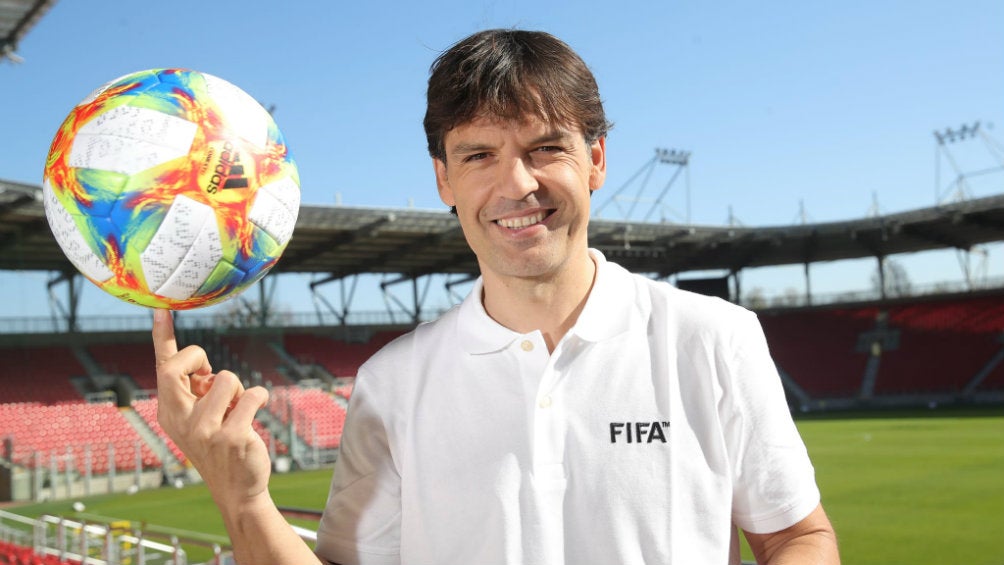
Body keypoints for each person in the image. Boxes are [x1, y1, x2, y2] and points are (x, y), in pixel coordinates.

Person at [153, 29, 840, 565]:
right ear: (443, 180)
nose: (516, 185)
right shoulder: (393, 384)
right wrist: (241, 498)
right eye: (479, 155)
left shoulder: (716, 338)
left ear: (596, 158)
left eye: (545, 148)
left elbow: (797, 536)